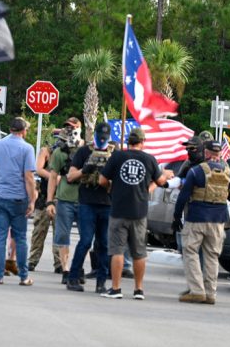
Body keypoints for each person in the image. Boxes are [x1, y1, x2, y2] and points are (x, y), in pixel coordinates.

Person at [99, 127, 171, 299]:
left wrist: (111, 189)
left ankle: (116, 289)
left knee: (117, 250)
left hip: (118, 210)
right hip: (139, 212)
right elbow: (161, 181)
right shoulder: (149, 159)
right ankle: (139, 289)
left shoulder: (117, 156)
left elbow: (102, 180)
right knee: (139, 252)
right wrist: (160, 180)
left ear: (128, 141)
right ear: (143, 142)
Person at [173, 140, 230, 305]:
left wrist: (176, 216)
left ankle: (197, 291)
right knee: (212, 257)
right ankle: (210, 293)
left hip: (196, 219)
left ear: (206, 153)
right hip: (218, 222)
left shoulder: (197, 172)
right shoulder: (229, 174)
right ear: (219, 154)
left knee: (190, 252)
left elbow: (183, 197)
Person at [0, 117, 36, 286]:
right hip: (18, 198)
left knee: (0, 237)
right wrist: (32, 200)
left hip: (0, 196)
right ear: (23, 131)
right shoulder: (27, 148)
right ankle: (24, 276)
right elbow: (29, 177)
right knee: (20, 238)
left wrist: (1, 166)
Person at [64, 121, 115, 293]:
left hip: (107, 203)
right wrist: (85, 170)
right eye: (100, 138)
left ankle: (101, 282)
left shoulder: (114, 153)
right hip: (87, 201)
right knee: (85, 241)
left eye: (105, 138)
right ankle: (72, 278)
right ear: (95, 135)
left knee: (104, 244)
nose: (102, 141)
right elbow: (70, 177)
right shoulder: (84, 151)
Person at [46, 118, 84, 284]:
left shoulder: (87, 150)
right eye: (68, 127)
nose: (71, 130)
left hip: (85, 200)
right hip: (65, 199)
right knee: (63, 236)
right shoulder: (59, 152)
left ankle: (78, 267)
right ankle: (66, 269)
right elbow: (53, 177)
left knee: (86, 237)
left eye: (74, 127)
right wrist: (49, 201)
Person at [28, 129, 61, 273]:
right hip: (43, 198)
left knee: (59, 232)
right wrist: (53, 177)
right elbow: (39, 169)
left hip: (60, 198)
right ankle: (32, 260)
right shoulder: (46, 151)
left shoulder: (69, 153)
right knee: (39, 232)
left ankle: (59, 263)